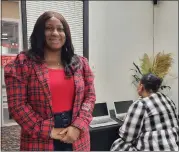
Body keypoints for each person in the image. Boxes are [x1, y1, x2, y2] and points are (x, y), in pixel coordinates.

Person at [4, 11, 96, 151]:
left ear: (66, 34)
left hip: (76, 137)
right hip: (38, 139)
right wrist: (49, 130)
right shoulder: (22, 64)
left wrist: (78, 125)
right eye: (48, 28)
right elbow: (17, 105)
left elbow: (90, 97)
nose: (55, 33)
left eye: (60, 29)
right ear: (39, 32)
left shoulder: (80, 64)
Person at [111, 73, 179, 151]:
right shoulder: (168, 101)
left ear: (141, 86)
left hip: (152, 148)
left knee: (119, 144)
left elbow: (127, 136)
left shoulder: (141, 104)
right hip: (173, 147)